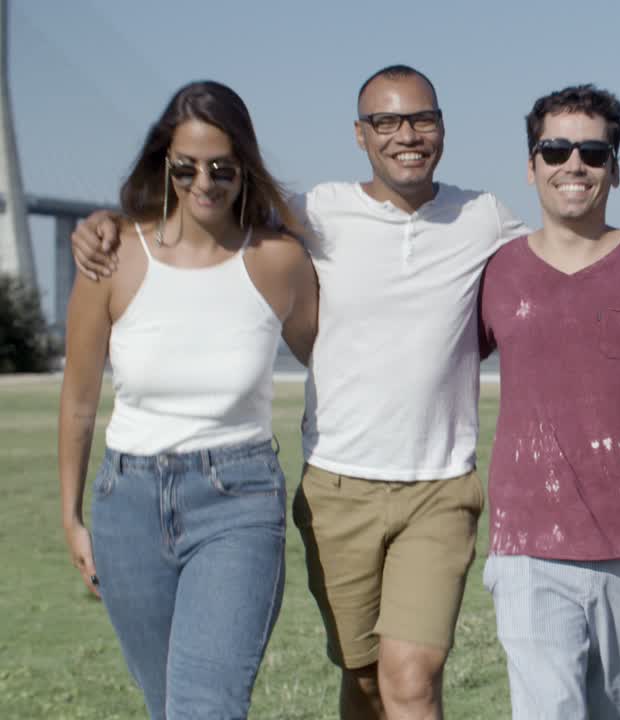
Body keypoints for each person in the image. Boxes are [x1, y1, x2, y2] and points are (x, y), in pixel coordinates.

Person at [72, 64, 526, 720]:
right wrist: (106, 222)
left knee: (412, 678)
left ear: (443, 128)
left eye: (422, 118)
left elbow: (556, 260)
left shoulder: (483, 217)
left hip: (440, 487)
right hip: (338, 489)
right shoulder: (314, 217)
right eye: (386, 121)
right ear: (359, 135)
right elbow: (214, 225)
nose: (407, 134)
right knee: (365, 679)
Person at [57, 80, 317, 719]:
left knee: (206, 707)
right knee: (166, 707)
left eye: (223, 168)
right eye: (187, 167)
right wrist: (71, 516)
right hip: (128, 506)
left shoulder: (278, 260)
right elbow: (80, 399)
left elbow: (332, 362)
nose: (205, 181)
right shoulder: (113, 256)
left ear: (244, 168)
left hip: (238, 500)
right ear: (164, 165)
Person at [476, 83, 620, 720]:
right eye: (556, 149)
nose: (574, 165)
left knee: (613, 710)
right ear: (531, 165)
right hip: (527, 544)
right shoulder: (495, 270)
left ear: (615, 170)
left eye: (593, 153)